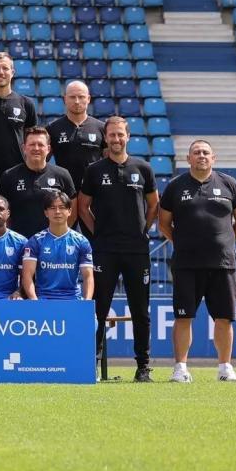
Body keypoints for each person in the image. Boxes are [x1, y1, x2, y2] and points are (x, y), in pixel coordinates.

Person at [159, 140, 236, 383]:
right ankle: (180, 368)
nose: (201, 155)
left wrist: (226, 242)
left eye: (206, 152)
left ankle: (225, 368)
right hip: (186, 265)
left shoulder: (229, 184)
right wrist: (181, 242)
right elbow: (164, 223)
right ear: (188, 158)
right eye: (196, 152)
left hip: (222, 264)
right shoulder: (175, 186)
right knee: (183, 317)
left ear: (213, 158)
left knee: (224, 318)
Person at [78, 116, 158, 381]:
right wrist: (97, 233)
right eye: (112, 135)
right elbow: (83, 207)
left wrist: (143, 230)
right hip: (105, 250)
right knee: (99, 309)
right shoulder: (94, 170)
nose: (116, 139)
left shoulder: (143, 168)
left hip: (136, 250)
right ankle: (92, 364)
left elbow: (153, 205)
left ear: (128, 137)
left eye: (120, 134)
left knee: (140, 311)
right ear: (105, 137)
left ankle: (143, 367)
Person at [0, 126, 76, 240]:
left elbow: (73, 210)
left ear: (48, 148)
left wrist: (59, 236)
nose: (36, 148)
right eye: (32, 144)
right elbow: (3, 212)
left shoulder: (62, 174)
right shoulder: (9, 176)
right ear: (24, 148)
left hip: (53, 241)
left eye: (40, 145)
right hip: (20, 243)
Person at [20, 190, 95, 302]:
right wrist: (34, 301)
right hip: (43, 299)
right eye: (52, 208)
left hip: (72, 299)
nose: (57, 211)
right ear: (46, 212)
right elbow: (27, 276)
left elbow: (88, 276)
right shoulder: (35, 241)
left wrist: (87, 301)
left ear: (69, 211)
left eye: (62, 207)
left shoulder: (81, 241)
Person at [47, 81, 105, 191]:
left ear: (88, 99)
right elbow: (43, 161)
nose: (77, 101)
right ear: (65, 99)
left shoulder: (101, 128)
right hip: (63, 190)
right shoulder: (52, 128)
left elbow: (109, 162)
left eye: (81, 97)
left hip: (93, 190)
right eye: (72, 97)